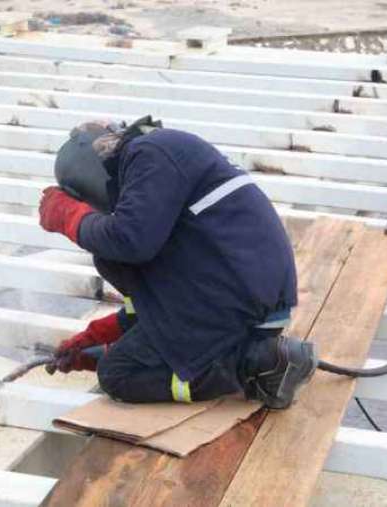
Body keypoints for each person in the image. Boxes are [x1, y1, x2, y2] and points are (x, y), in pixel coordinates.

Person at [38, 116, 317, 409]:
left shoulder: (150, 153)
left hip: (237, 304)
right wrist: (96, 342)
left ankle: (254, 367)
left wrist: (69, 216)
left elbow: (130, 242)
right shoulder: (160, 163)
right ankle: (250, 356)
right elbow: (152, 302)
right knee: (109, 255)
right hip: (233, 296)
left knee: (118, 374)